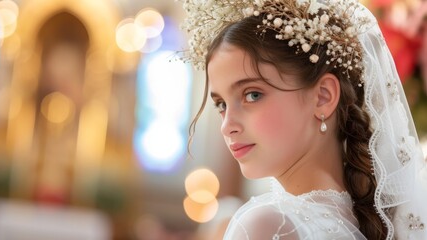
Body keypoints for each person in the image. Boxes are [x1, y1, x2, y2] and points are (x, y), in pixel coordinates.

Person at [179, 0, 427, 239]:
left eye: (252, 95)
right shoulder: (369, 223)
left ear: (323, 97)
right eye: (221, 104)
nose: (227, 125)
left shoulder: (266, 226)